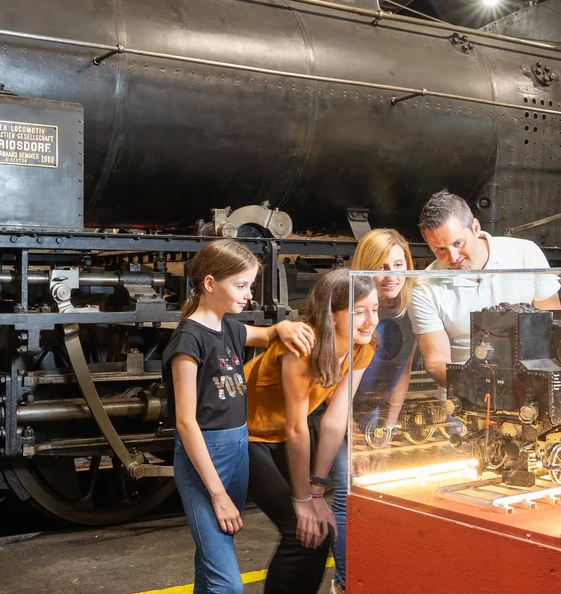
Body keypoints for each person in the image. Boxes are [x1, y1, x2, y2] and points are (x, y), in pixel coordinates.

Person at [165, 239, 316, 594]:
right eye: (241, 285)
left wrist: (285, 327)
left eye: (249, 285)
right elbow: (186, 423)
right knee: (227, 584)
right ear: (209, 283)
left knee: (211, 563)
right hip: (205, 459)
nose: (249, 295)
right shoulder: (188, 341)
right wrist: (217, 495)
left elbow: (265, 334)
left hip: (237, 450)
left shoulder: (229, 327)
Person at [242, 269, 378, 594]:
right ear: (331, 316)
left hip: (281, 436)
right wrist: (303, 500)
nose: (370, 320)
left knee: (320, 530)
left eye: (375, 309)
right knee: (298, 527)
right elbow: (297, 427)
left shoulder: (362, 349)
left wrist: (317, 493)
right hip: (244, 435)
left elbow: (333, 420)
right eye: (358, 311)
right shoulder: (303, 347)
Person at [328, 229, 417, 593]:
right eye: (382, 267)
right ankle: (347, 584)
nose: (392, 275)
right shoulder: (354, 311)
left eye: (399, 265)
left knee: (379, 495)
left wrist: (388, 432)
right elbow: (336, 386)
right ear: (365, 270)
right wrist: (355, 441)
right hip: (337, 412)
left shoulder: (409, 309)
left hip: (372, 414)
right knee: (345, 495)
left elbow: (402, 371)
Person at [408, 190, 561, 389]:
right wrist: (483, 389)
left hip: (530, 386)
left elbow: (554, 329)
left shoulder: (526, 254)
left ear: (475, 227)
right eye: (440, 250)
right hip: (465, 395)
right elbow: (436, 363)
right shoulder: (424, 287)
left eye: (458, 243)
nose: (453, 257)